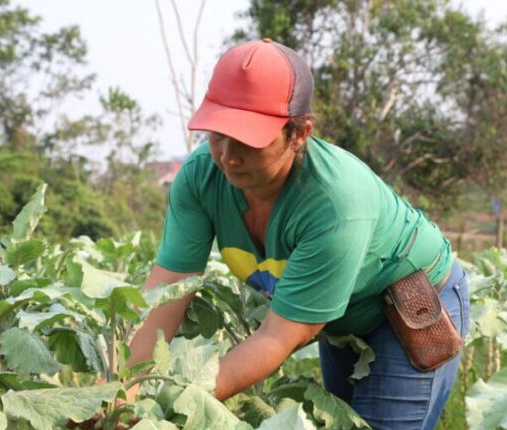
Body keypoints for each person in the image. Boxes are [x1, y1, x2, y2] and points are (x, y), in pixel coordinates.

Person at [126, 38, 470, 430]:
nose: (228, 156)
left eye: (248, 140)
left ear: (299, 133)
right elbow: (169, 290)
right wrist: (124, 393)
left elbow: (276, 338)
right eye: (218, 134)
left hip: (410, 309)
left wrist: (168, 406)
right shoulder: (200, 177)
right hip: (337, 317)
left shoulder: (334, 203)